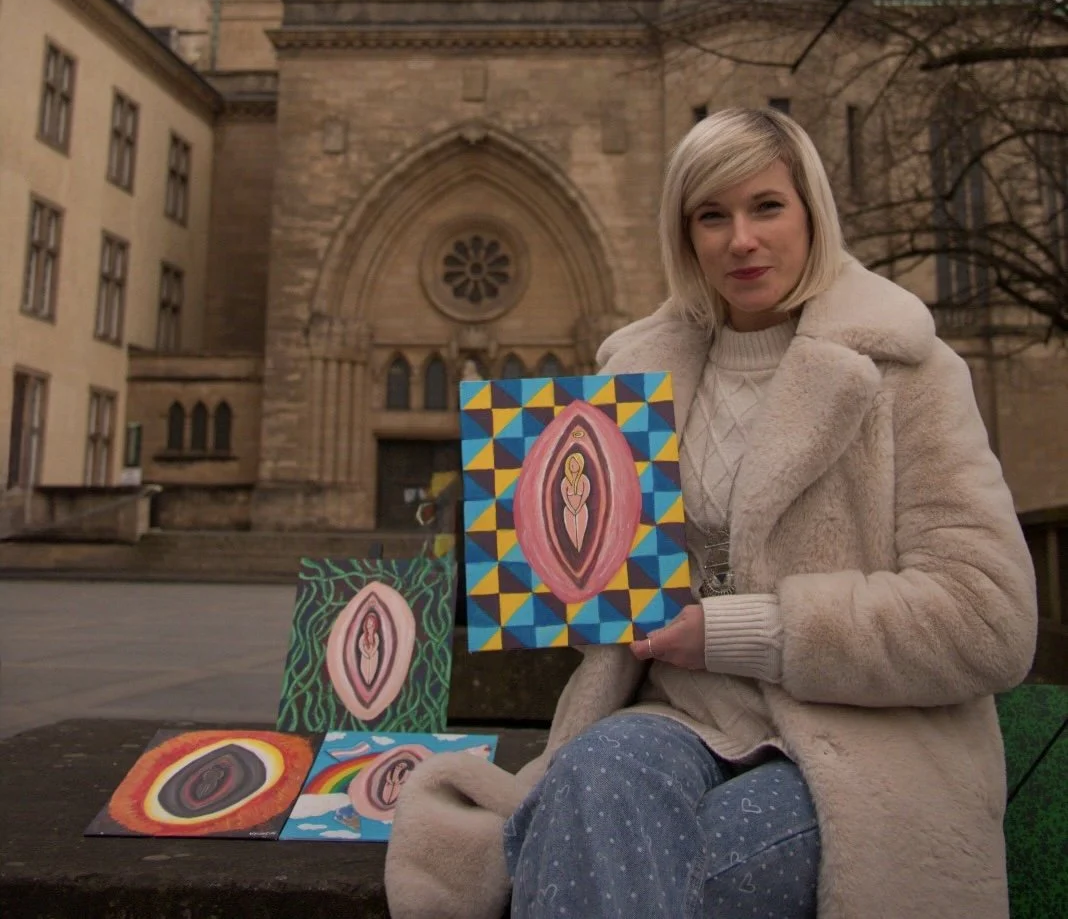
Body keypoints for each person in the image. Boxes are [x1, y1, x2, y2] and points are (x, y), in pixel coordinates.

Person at [385, 108, 1037, 919]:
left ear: (811, 214)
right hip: (685, 719)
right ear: (684, 233)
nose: (741, 240)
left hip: (862, 747)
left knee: (602, 863)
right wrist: (566, 579)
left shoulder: (909, 370)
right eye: (712, 215)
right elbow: (608, 597)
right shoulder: (630, 379)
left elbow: (990, 618)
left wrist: (739, 630)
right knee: (595, 773)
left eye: (767, 206)